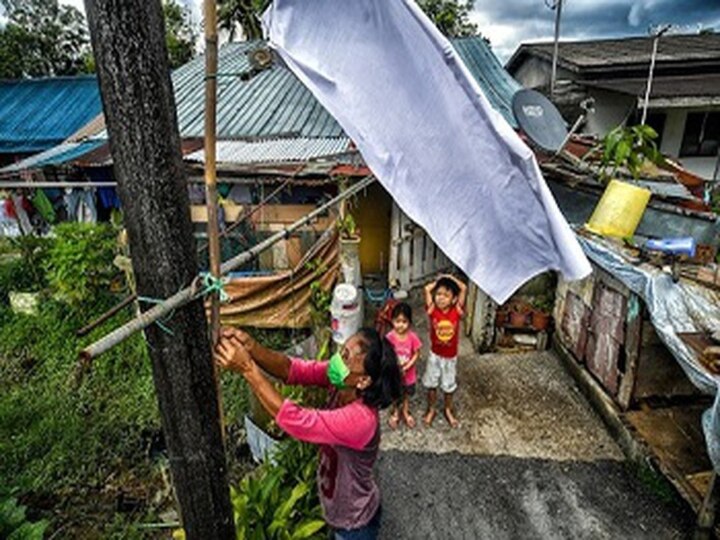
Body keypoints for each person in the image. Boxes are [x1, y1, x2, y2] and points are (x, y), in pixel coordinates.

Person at [214, 326, 402, 539]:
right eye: (342, 350)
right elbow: (291, 370)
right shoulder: (341, 383)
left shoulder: (361, 420)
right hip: (336, 508)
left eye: (346, 357)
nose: (337, 359)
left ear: (363, 380)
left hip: (354, 524)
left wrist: (248, 368)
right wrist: (252, 347)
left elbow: (297, 419)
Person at [422, 274, 467, 428]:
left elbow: (463, 288)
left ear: (454, 299)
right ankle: (432, 409)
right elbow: (427, 289)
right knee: (431, 384)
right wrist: (439, 280)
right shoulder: (433, 309)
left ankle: (448, 409)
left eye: (446, 295)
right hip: (435, 355)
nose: (440, 298)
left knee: (449, 385)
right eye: (439, 294)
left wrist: (449, 277)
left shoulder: (457, 310)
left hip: (450, 357)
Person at [385, 302, 422, 429]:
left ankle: (405, 411)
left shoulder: (412, 337)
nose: (400, 325)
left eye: (404, 321)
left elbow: (417, 353)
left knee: (405, 394)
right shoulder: (389, 337)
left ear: (409, 322)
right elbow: (386, 354)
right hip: (394, 374)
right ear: (392, 321)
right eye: (397, 321)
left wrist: (407, 366)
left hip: (408, 375)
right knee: (395, 394)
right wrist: (395, 367)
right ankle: (396, 412)